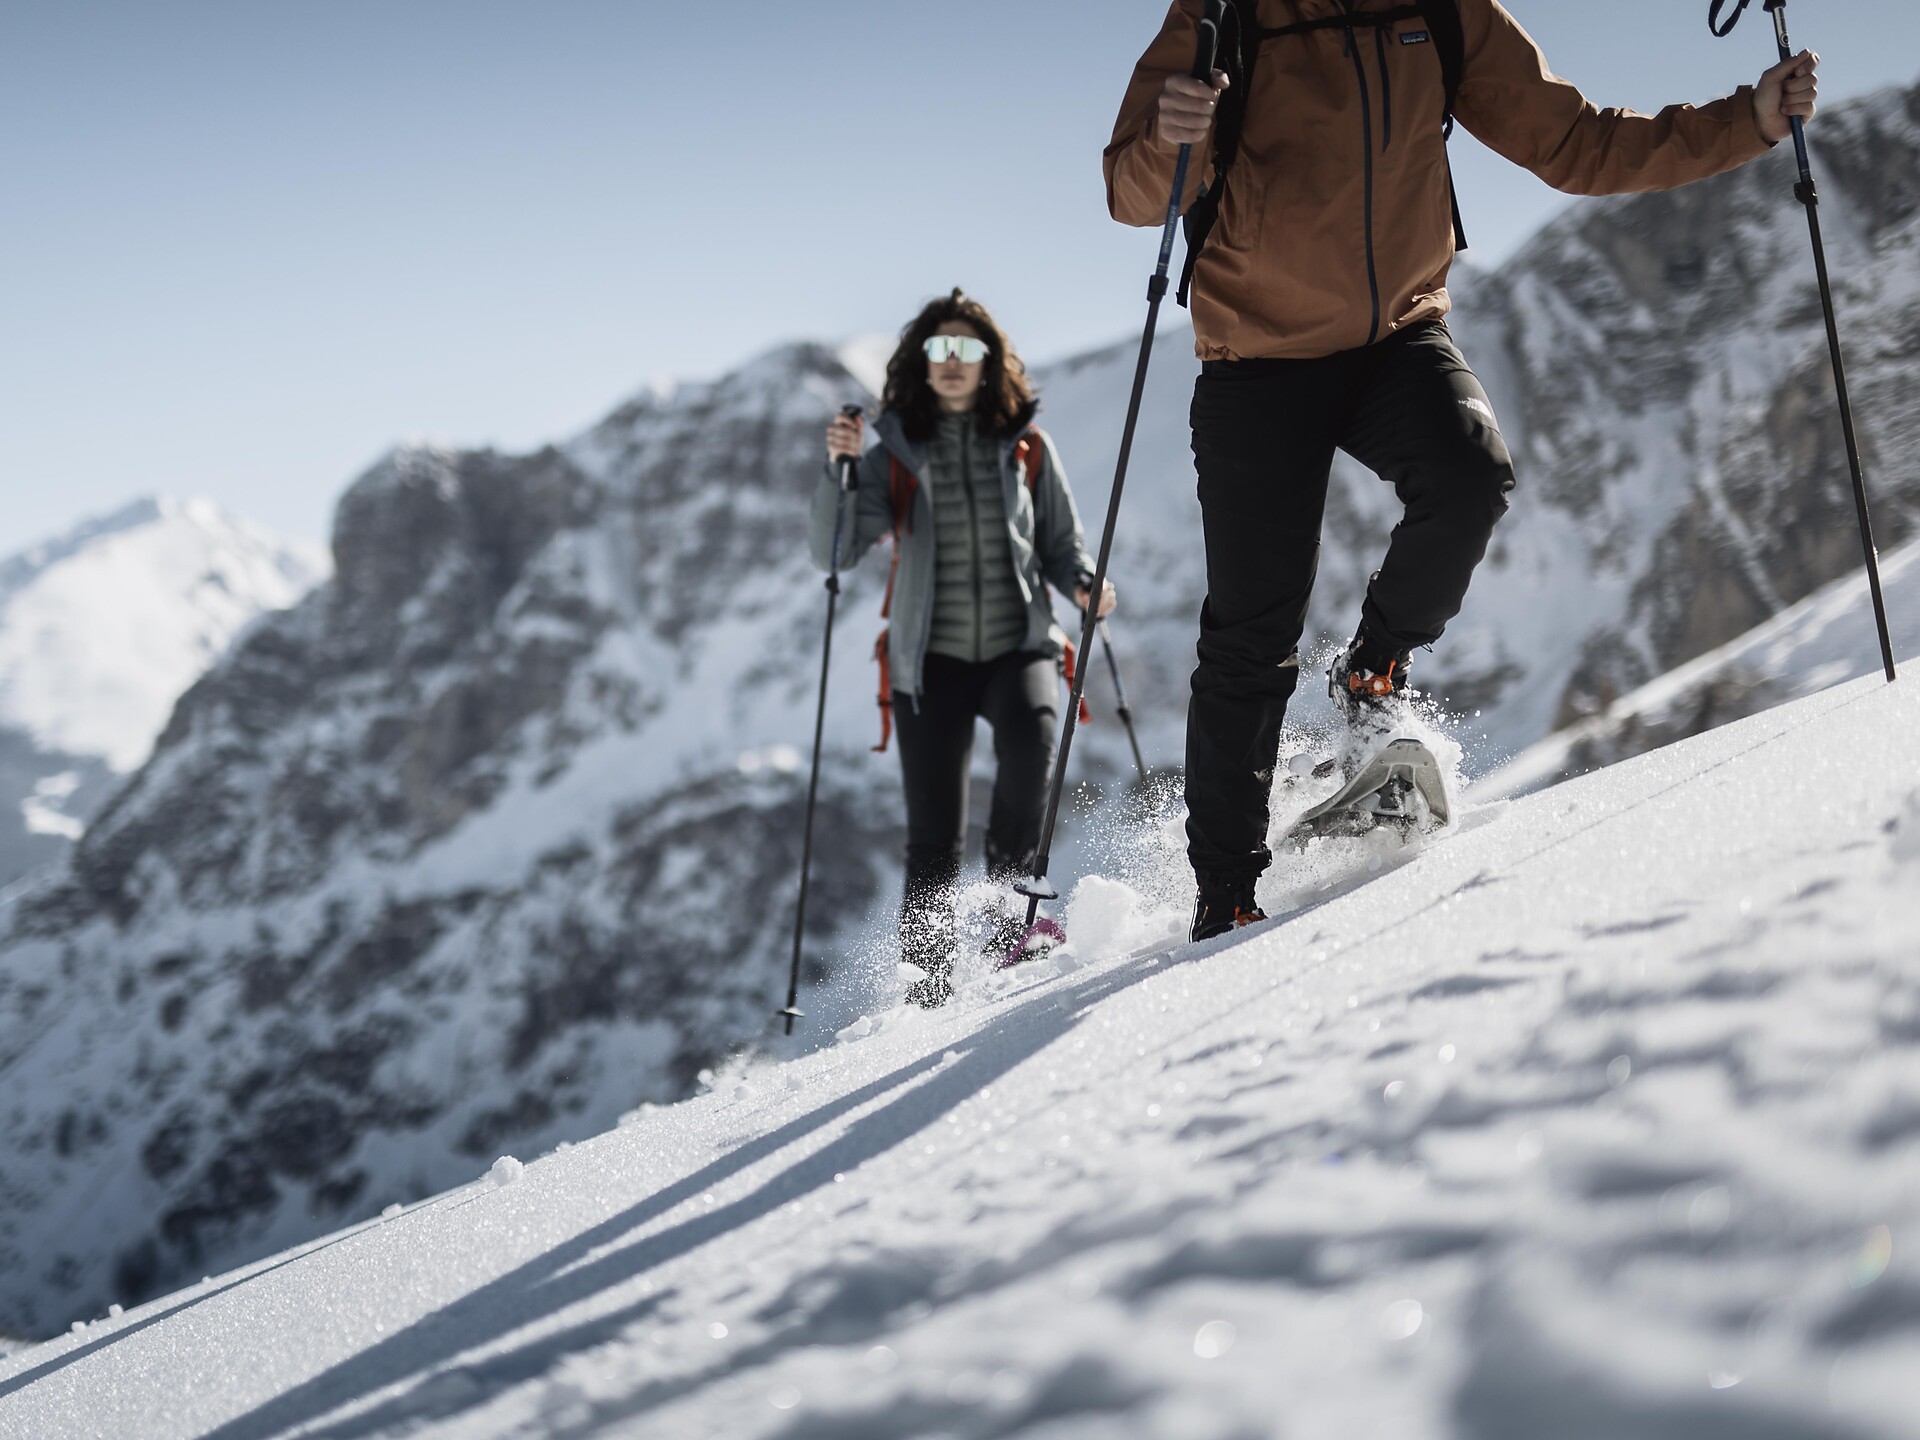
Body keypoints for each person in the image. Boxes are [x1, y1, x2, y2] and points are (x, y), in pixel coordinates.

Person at [1104, 0, 1820, 941]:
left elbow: (1575, 142)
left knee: (1471, 475)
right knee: (1253, 627)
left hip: (1400, 332)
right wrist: (1169, 135)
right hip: (1258, 358)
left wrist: (1753, 120)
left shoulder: (1440, 10)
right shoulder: (1224, 15)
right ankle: (1226, 894)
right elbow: (1132, 191)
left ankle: (1372, 671)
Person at [812, 290, 1116, 1007]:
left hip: (1022, 647)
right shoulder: (892, 453)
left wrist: (1083, 586)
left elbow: (1061, 545)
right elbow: (838, 549)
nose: (952, 363)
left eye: (967, 350)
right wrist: (840, 469)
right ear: (922, 362)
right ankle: (929, 988)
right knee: (934, 839)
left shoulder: (1028, 447)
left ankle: (1015, 933)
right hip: (929, 664)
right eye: (939, 351)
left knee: (1029, 761)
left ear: (989, 362)